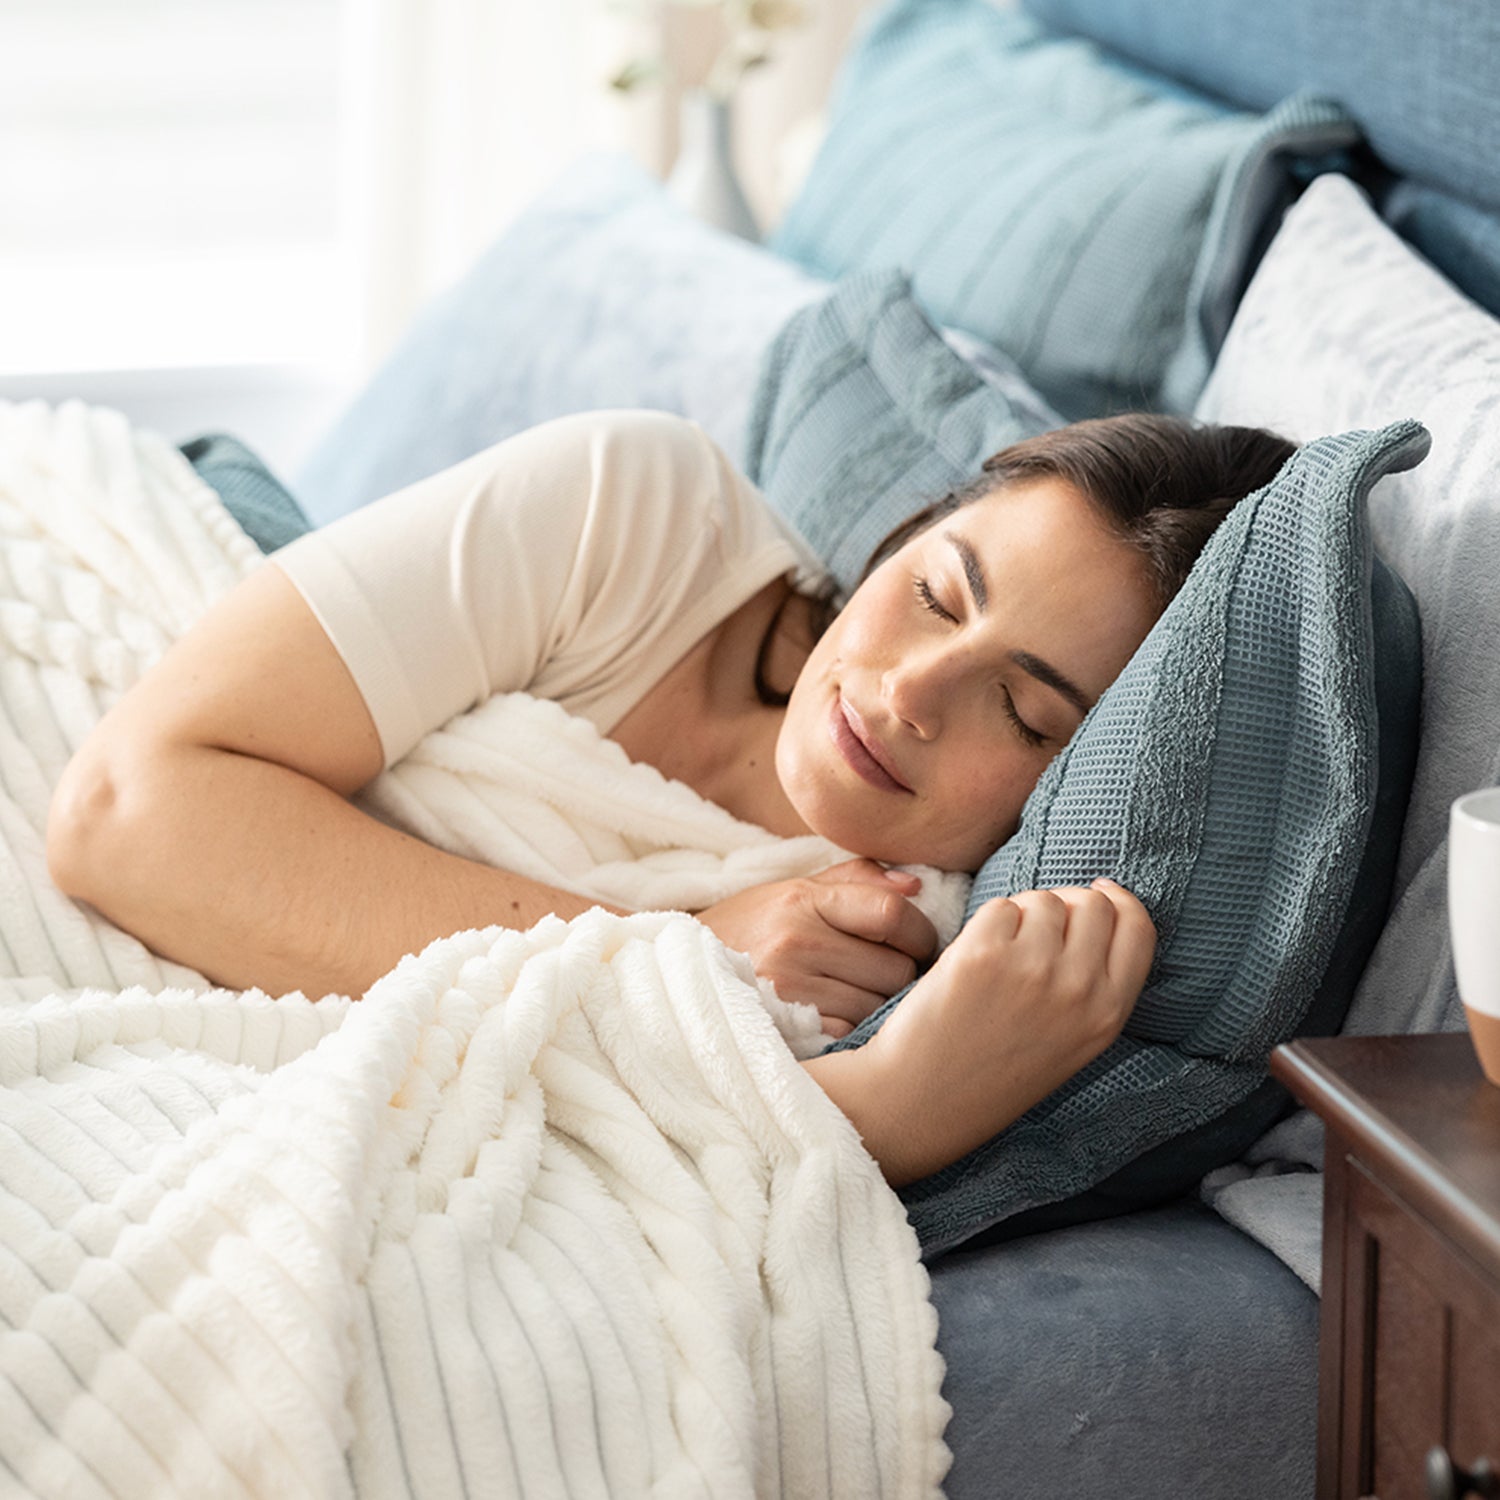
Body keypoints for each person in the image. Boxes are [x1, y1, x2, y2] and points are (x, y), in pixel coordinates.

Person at [46, 407, 1295, 1187]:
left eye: (1026, 716)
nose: (913, 688)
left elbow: (716, 1162)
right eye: (936, 591)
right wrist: (675, 954)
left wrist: (884, 1102)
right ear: (905, 535)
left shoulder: (925, 938)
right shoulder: (636, 512)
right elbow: (123, 806)